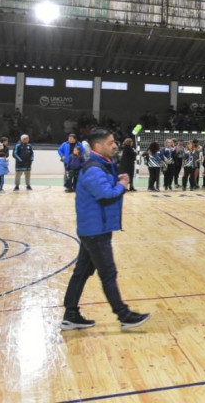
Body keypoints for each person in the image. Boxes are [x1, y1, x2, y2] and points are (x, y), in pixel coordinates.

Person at [60, 128, 151, 331]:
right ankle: (124, 315)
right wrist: (123, 185)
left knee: (81, 273)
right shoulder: (94, 169)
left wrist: (118, 180)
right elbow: (106, 195)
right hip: (95, 231)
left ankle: (70, 315)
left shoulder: (102, 165)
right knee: (108, 273)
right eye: (110, 143)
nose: (115, 145)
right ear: (98, 146)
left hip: (92, 229)